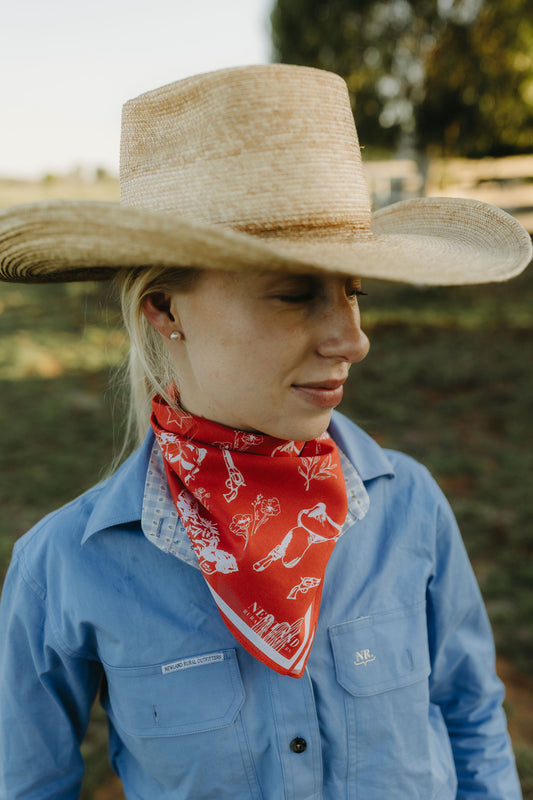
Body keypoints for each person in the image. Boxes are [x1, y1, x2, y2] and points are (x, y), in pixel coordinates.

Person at [0, 64, 530, 800]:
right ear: (165, 308)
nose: (352, 340)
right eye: (293, 294)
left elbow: (469, 716)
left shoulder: (410, 507)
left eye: (353, 293)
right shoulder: (65, 566)